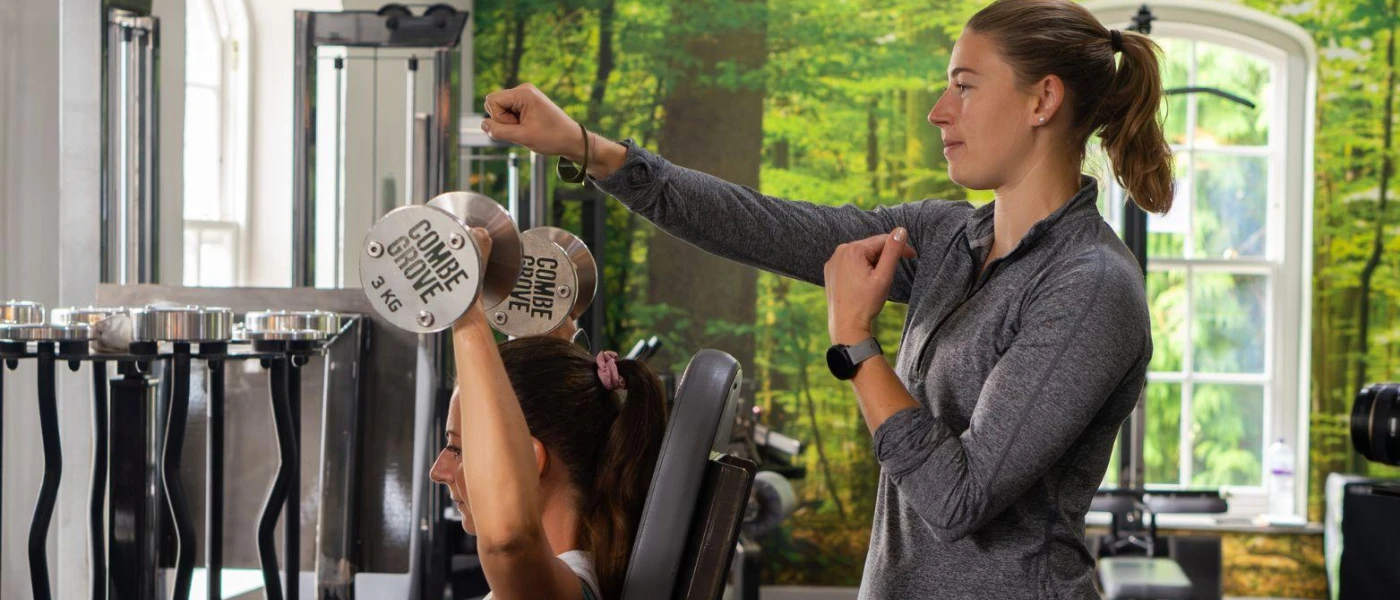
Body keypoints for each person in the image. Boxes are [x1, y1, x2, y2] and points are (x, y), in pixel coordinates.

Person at [478, 0, 1169, 596]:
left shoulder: (1089, 287)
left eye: (964, 86)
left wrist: (856, 345)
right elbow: (766, 226)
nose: (939, 111)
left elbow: (958, 501)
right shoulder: (948, 237)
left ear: (1042, 100)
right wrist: (587, 146)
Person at [429, 244, 669, 600]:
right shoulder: (580, 576)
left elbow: (508, 543)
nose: (439, 470)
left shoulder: (557, 590)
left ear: (527, 459)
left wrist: (465, 307)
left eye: (459, 448)